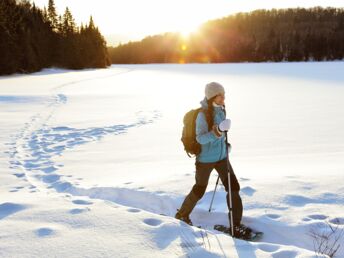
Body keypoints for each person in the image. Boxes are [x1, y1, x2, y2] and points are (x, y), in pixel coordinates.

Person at [175, 82, 251, 239]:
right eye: (220, 95)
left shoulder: (221, 110)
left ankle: (235, 225)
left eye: (224, 95)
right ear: (212, 97)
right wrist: (218, 130)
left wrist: (225, 145)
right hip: (205, 160)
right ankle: (182, 214)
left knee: (233, 187)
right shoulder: (203, 115)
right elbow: (201, 138)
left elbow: (220, 135)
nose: (224, 98)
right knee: (199, 189)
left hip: (222, 158)